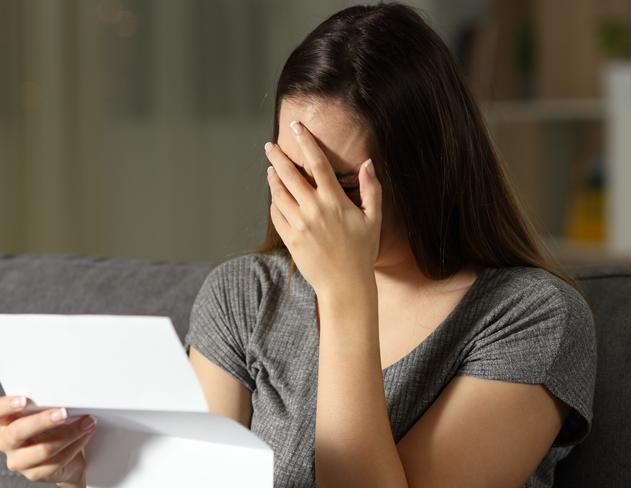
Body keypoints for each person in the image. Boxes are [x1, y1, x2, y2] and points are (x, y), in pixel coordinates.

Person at [0, 2, 596, 487]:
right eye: (293, 174)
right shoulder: (245, 294)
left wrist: (345, 293)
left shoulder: (531, 317)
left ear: (431, 168)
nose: (313, 210)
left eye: (339, 186)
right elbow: (190, 480)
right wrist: (85, 471)